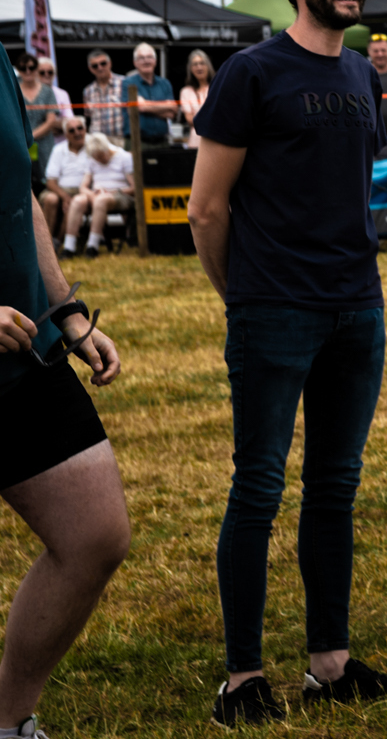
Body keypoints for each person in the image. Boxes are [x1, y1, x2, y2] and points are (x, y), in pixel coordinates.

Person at [187, 0, 387, 724]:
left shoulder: (362, 74)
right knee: (256, 489)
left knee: (335, 487)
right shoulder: (252, 73)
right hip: (274, 308)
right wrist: (245, 297)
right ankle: (242, 679)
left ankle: (329, 664)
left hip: (357, 308)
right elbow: (205, 208)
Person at [1, 38, 129, 739]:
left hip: (24, 350)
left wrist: (67, 313)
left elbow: (17, 193)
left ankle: (8, 719)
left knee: (94, 534)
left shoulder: (0, 64)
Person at [62, 135, 132, 259]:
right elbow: (83, 187)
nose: (98, 160)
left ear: (107, 150)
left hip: (120, 195)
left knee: (101, 200)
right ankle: (69, 246)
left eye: (101, 156)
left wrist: (110, 192)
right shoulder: (92, 159)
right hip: (97, 194)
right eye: (96, 157)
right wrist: (91, 195)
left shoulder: (124, 157)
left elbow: (134, 187)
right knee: (77, 200)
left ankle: (92, 246)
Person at [39, 120, 94, 252]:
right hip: (61, 190)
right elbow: (50, 181)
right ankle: (46, 243)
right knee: (50, 199)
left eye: (80, 128)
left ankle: (58, 242)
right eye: (72, 130)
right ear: (66, 134)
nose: (77, 132)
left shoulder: (93, 146)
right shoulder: (59, 149)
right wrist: (65, 197)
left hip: (84, 191)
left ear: (85, 130)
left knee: (75, 203)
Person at [18, 55, 67, 179]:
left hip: (44, 142)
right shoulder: (14, 89)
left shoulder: (47, 91)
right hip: (20, 142)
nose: (28, 71)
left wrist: (31, 135)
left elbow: (51, 121)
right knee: (23, 177)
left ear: (36, 69)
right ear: (18, 70)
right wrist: (23, 138)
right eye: (23, 68)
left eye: (31, 67)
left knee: (47, 177)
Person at [120, 43, 176, 150]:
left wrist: (146, 105)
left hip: (162, 143)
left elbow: (172, 111)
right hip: (137, 143)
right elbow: (140, 106)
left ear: (155, 61)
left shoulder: (165, 83)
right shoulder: (128, 83)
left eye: (149, 57)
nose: (146, 61)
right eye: (141, 58)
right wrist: (164, 106)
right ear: (135, 63)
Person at [78, 54, 125, 143]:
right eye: (95, 66)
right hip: (97, 142)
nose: (100, 68)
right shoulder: (88, 90)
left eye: (103, 63)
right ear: (90, 69)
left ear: (110, 63)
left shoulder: (123, 83)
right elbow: (88, 117)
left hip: (120, 139)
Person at [180, 49, 217, 150]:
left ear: (208, 66)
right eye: (195, 64)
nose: (199, 67)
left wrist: (198, 118)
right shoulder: (186, 91)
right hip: (195, 143)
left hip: (216, 142)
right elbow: (189, 119)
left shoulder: (217, 88)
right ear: (190, 69)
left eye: (202, 63)